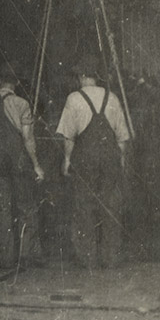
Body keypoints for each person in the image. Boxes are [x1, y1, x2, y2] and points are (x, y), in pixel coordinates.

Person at [55, 56, 132, 268]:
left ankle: (88, 259)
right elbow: (122, 138)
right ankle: (111, 258)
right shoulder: (113, 98)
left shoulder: (74, 99)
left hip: (85, 158)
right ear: (96, 77)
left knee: (84, 207)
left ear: (81, 77)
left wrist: (67, 160)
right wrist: (121, 162)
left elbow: (68, 136)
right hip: (110, 157)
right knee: (111, 207)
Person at [0, 64, 45, 268]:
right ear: (16, 82)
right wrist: (36, 165)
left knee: (2, 209)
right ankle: (27, 255)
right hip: (18, 158)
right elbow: (27, 138)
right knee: (26, 205)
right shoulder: (21, 103)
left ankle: (4, 258)